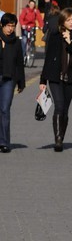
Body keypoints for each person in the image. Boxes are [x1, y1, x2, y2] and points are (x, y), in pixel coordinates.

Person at [37, 7, 72, 151]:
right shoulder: (54, 35)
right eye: (68, 20)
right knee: (59, 106)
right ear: (62, 21)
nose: (71, 22)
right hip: (55, 76)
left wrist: (70, 40)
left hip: (71, 76)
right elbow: (48, 58)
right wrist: (42, 81)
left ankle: (62, 135)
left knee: (65, 108)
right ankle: (58, 140)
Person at [0, 11, 26, 151]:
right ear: (2, 25)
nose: (10, 28)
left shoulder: (16, 42)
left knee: (5, 109)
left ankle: (4, 142)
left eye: (13, 26)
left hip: (8, 79)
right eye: (8, 26)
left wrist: (21, 82)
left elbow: (19, 63)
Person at [19, 0, 37, 66]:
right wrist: (22, 24)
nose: (32, 6)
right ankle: (23, 56)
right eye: (31, 4)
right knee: (24, 41)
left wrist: (41, 26)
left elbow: (39, 18)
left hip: (32, 27)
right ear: (29, 4)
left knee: (32, 40)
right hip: (25, 27)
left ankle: (31, 47)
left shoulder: (35, 11)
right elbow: (21, 18)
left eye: (33, 4)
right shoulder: (25, 10)